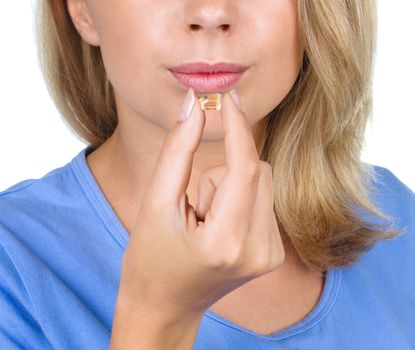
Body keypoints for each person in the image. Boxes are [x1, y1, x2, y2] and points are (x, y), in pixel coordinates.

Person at [1, 0, 414, 349]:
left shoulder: (394, 216)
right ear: (80, 10)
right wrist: (157, 316)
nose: (213, 12)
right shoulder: (13, 266)